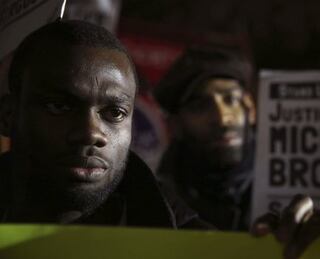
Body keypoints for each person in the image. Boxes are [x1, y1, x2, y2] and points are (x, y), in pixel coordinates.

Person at [0, 20, 210, 229]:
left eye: (115, 113)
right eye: (59, 106)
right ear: (8, 115)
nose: (91, 133)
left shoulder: (195, 245)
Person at [154, 46, 256, 230]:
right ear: (175, 125)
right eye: (200, 106)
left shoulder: (291, 185)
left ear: (251, 108)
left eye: (231, 99)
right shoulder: (154, 203)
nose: (222, 119)